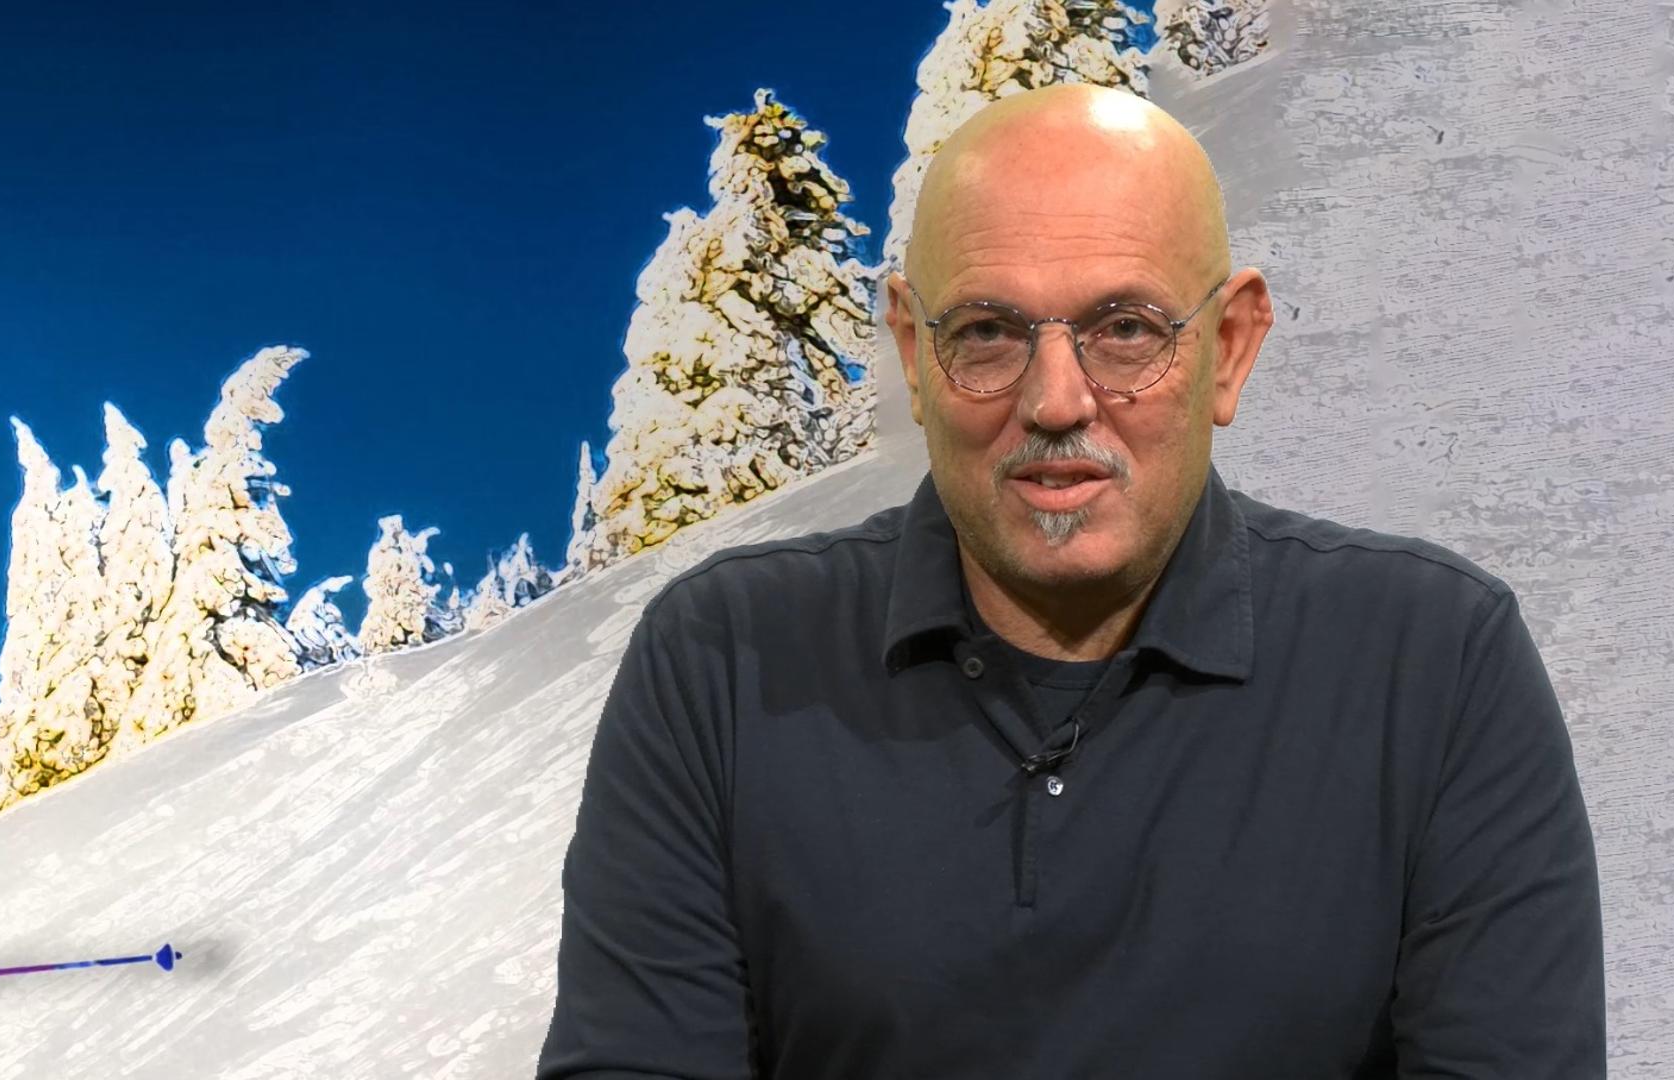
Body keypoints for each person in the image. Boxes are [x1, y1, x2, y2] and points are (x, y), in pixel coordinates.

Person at [538, 83, 1605, 1079]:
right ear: (912, 354)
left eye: (1125, 329)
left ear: (1230, 347)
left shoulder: (1436, 663)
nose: (1056, 401)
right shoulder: (720, 663)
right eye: (988, 332)